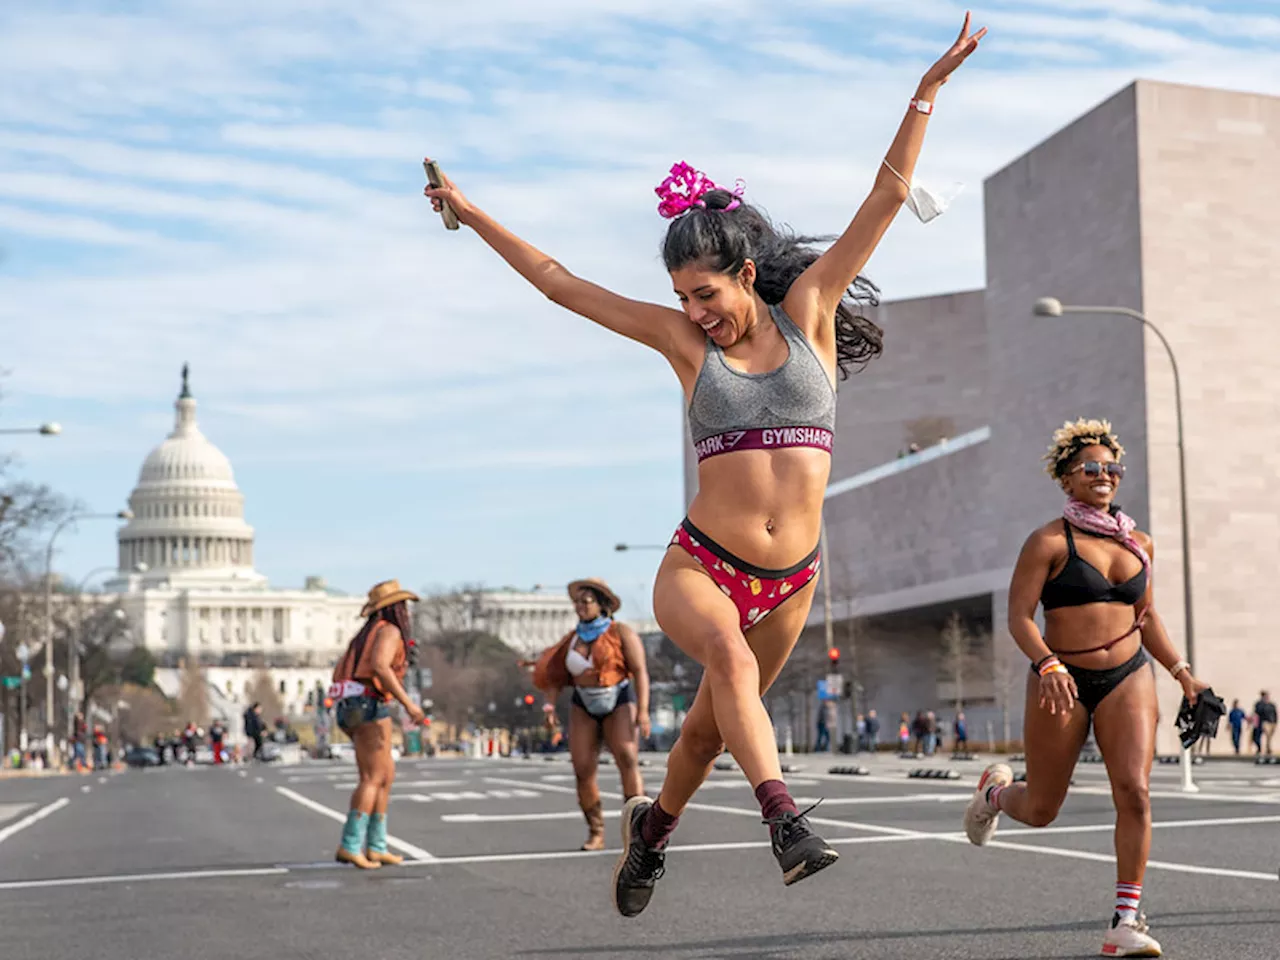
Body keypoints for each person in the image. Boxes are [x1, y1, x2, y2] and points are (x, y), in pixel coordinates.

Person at [424, 15, 985, 916]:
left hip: (792, 577)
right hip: (702, 565)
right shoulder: (684, 346)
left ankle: (649, 837)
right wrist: (474, 212)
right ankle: (784, 822)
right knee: (723, 653)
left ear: (746, 272)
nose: (698, 311)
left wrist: (930, 86)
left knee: (701, 737)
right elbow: (563, 281)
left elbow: (885, 199)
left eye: (709, 293)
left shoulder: (809, 308)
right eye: (684, 297)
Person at [963, 419, 1211, 957]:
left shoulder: (1139, 542)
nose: (1104, 476)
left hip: (1129, 675)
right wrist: (1048, 664)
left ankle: (1125, 921)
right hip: (1062, 680)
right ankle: (995, 795)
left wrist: (1184, 673)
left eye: (1112, 468)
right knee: (1044, 808)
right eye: (1091, 469)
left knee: (1136, 792)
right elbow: (1019, 617)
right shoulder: (1049, 540)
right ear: (1066, 478)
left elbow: (1147, 616)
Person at [526, 578, 650, 851]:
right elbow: (554, 676)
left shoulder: (621, 633)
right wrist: (549, 707)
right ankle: (596, 831)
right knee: (582, 768)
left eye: (586, 601)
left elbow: (640, 671)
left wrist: (642, 711)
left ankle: (638, 831)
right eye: (577, 602)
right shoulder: (571, 639)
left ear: (601, 604)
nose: (580, 606)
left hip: (618, 697)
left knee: (628, 759)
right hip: (584, 701)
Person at [329, 579, 425, 869]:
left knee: (384, 776)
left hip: (352, 705)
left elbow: (338, 672)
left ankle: (376, 845)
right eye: (403, 605)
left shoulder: (364, 635)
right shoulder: (390, 631)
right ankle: (351, 844)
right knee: (372, 778)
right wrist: (408, 704)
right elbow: (382, 667)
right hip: (371, 705)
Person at [1254, 691, 1276, 756]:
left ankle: (1268, 748)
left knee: (1269, 737)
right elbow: (1257, 713)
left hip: (1271, 722)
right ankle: (1261, 748)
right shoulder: (1259, 704)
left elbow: (1275, 713)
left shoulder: (1271, 704)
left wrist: (1275, 722)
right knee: (1260, 736)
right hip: (1264, 722)